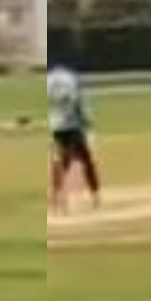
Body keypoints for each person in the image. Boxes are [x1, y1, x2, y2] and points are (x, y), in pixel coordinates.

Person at [45, 63, 100, 215]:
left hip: (55, 128)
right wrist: (88, 122)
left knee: (59, 164)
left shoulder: (48, 81)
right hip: (73, 127)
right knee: (86, 161)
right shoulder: (72, 80)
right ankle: (94, 196)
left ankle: (57, 199)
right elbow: (80, 103)